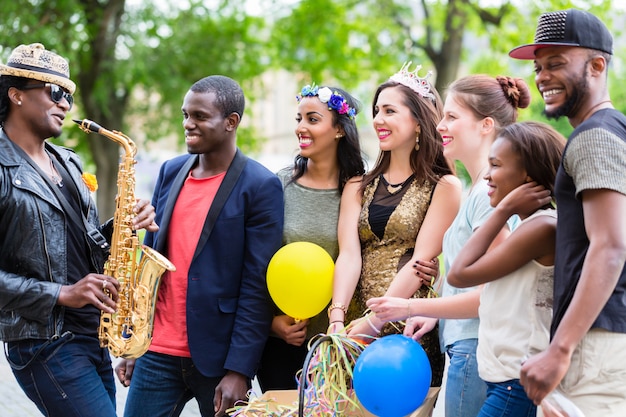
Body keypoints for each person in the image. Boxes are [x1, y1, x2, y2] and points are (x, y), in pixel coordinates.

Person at [0, 43, 157, 417]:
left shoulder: (68, 162)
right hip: (44, 341)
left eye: (68, 96)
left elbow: (81, 244)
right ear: (16, 94)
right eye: (55, 93)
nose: (66, 105)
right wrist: (62, 293)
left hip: (93, 334)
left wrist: (122, 227)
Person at [369, 121, 566, 416]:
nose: (487, 175)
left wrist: (502, 211)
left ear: (526, 175)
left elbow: (461, 272)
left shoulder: (540, 227)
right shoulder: (532, 226)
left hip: (515, 382)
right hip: (506, 379)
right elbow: (491, 293)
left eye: (496, 165)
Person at [115, 75, 284, 417]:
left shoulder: (262, 185)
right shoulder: (170, 171)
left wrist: (240, 370)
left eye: (200, 117)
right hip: (156, 352)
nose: (187, 124)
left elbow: (257, 284)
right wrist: (134, 343)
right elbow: (151, 262)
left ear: (231, 122)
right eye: (185, 114)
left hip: (219, 359)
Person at [509, 9, 626, 415]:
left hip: (595, 349)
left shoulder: (595, 137)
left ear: (597, 65)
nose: (541, 76)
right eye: (539, 67)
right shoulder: (614, 131)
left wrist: (560, 349)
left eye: (556, 63)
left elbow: (610, 246)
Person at [328, 62, 462, 388]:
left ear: (417, 122)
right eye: (376, 111)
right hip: (354, 328)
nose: (377, 120)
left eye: (389, 111)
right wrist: (339, 318)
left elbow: (421, 265)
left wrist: (374, 323)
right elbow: (349, 255)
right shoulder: (357, 186)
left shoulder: (444, 187)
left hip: (408, 327)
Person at [409, 74, 530, 417]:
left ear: (485, 125)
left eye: (452, 116)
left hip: (475, 350)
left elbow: (496, 291)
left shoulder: (485, 196)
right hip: (467, 346)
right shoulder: (481, 190)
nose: (440, 125)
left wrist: (408, 307)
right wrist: (435, 312)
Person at [256, 84, 365, 391]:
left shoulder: (360, 190)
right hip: (281, 344)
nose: (301, 128)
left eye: (312, 119)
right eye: (298, 119)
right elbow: (257, 261)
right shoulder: (278, 185)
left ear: (340, 130)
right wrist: (272, 325)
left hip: (336, 345)